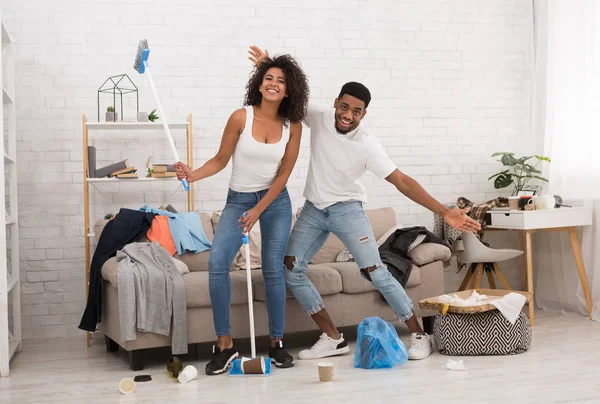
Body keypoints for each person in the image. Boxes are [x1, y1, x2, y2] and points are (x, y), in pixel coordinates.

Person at [248, 46, 481, 361]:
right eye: (344, 107)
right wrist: (269, 66)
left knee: (377, 272)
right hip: (314, 210)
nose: (347, 115)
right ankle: (332, 338)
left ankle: (419, 334)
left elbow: (402, 181)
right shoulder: (319, 115)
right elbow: (288, 97)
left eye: (355, 111)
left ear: (364, 114)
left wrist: (443, 211)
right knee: (291, 269)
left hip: (348, 211)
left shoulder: (368, 145)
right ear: (336, 103)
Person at [175, 54, 309, 375]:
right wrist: (193, 174)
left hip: (275, 201)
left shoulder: (294, 127)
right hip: (239, 198)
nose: (274, 84)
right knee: (217, 265)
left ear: (288, 90)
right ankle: (225, 345)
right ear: (259, 83)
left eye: (281, 81)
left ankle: (276, 343)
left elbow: (283, 176)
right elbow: (221, 160)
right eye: (269, 78)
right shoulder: (240, 117)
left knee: (274, 270)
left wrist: (259, 209)